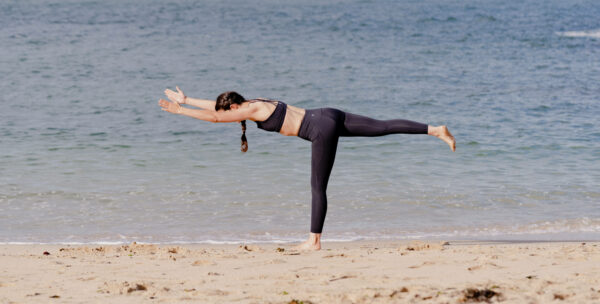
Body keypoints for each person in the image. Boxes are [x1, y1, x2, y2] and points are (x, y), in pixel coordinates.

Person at [158, 87, 455, 251]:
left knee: (317, 187)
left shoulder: (248, 110)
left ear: (234, 108)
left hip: (319, 130)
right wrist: (188, 99)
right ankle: (435, 129)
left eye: (230, 114)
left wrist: (181, 111)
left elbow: (214, 117)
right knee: (383, 126)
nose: (231, 118)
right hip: (327, 114)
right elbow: (217, 109)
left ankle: (314, 240)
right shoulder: (253, 101)